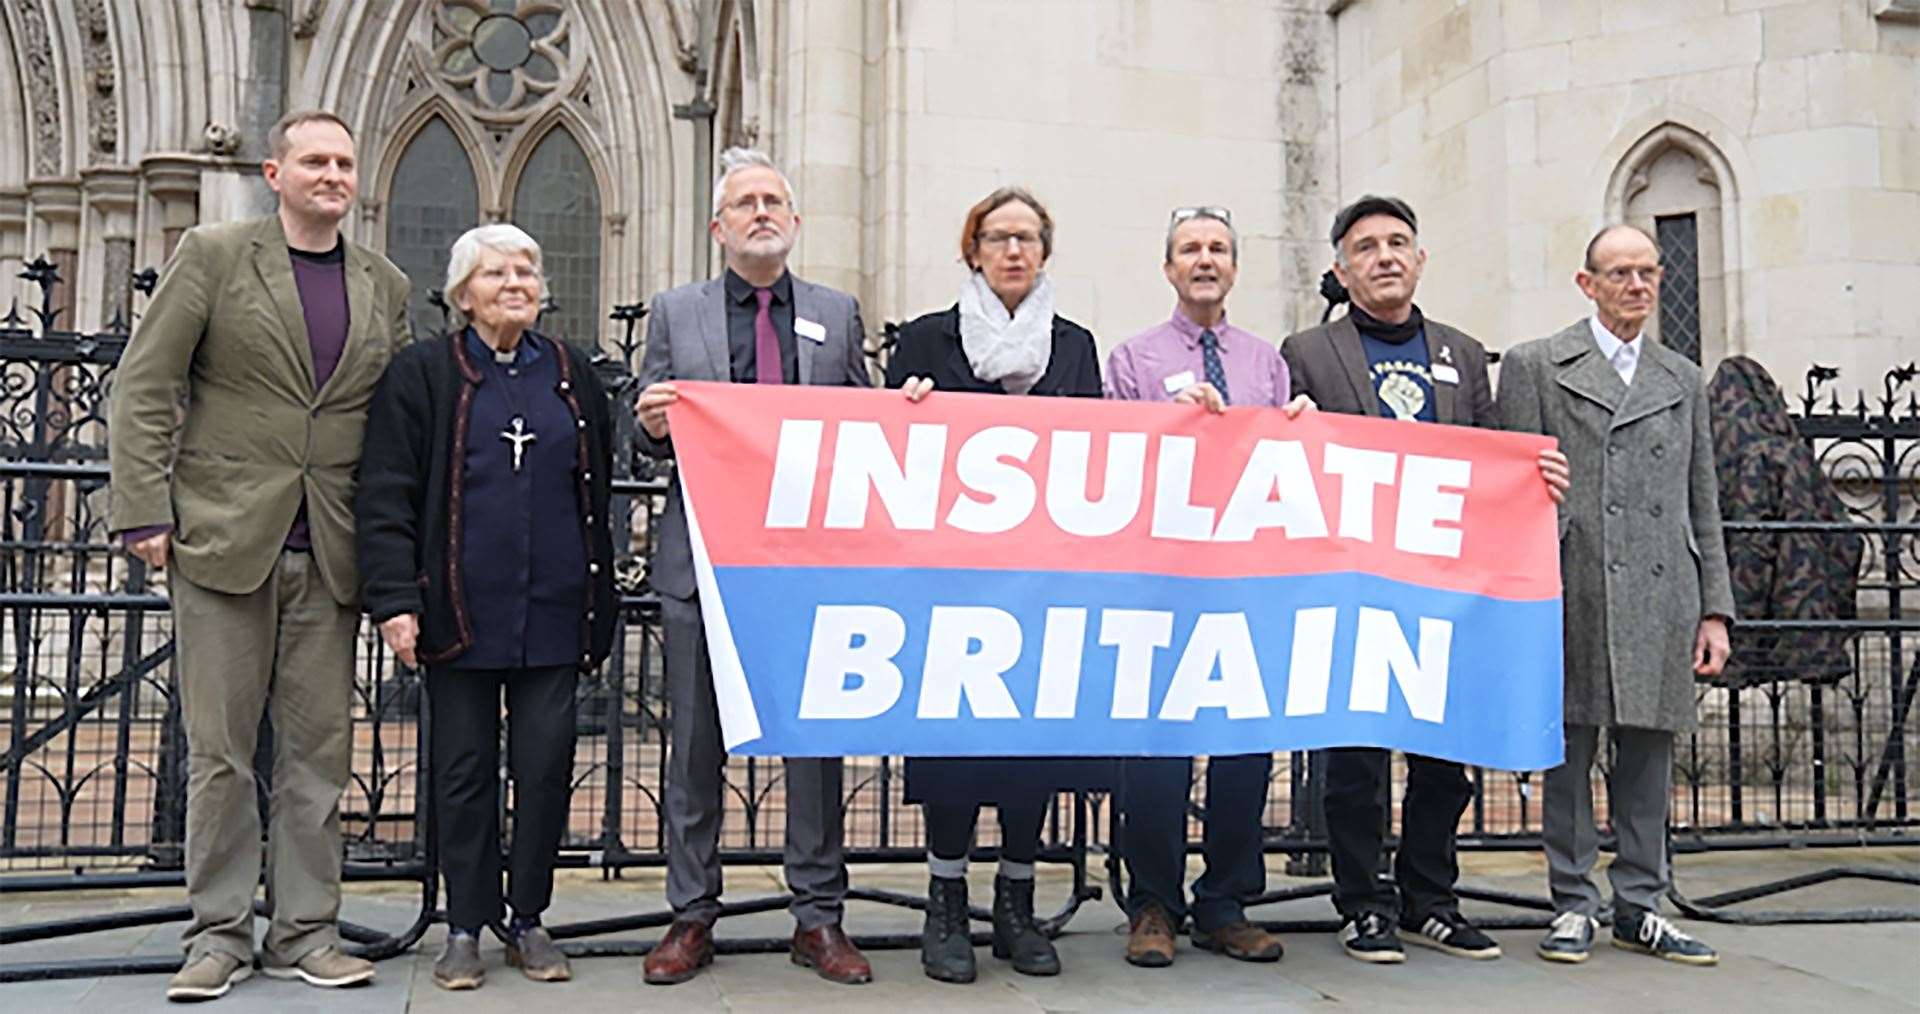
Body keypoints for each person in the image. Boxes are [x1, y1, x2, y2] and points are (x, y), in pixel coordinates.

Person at [106, 109, 410, 1002]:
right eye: (314, 160)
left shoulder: (384, 283)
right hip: (223, 537)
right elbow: (146, 383)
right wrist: (142, 513)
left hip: (331, 548)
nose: (333, 175)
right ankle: (217, 935)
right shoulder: (213, 254)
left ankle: (307, 932)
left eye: (346, 162)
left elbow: (386, 419)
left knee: (319, 757)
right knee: (222, 755)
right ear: (274, 173)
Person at [1280, 194, 1568, 965]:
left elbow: (1494, 457)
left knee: (1447, 753)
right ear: (1343, 269)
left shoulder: (1465, 353)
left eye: (1398, 242)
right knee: (1357, 758)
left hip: (1446, 583)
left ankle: (1430, 898)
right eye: (1367, 247)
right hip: (1353, 584)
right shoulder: (1306, 353)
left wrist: (1535, 474)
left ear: (1420, 258)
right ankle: (1364, 902)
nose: (1385, 257)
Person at [633, 148, 874, 986]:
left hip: (806, 568)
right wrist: (652, 425)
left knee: (815, 748)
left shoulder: (836, 313)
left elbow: (863, 429)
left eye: (774, 200)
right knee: (695, 748)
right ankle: (691, 916)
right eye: (745, 203)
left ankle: (818, 918)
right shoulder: (676, 312)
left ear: (795, 222)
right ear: (718, 227)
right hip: (703, 565)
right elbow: (643, 421)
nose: (761, 212)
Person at [356, 224, 615, 990]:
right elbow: (386, 494)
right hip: (458, 611)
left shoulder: (573, 372)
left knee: (544, 769)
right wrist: (395, 599)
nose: (516, 283)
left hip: (555, 611)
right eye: (498, 273)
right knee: (463, 773)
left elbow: (600, 476)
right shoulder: (424, 374)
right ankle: (465, 925)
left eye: (528, 270)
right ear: (462, 293)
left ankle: (527, 919)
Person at [886, 186, 1104, 985]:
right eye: (998, 237)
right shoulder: (924, 339)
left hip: (1045, 581)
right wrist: (903, 412)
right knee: (955, 742)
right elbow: (888, 453)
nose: (1014, 251)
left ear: (1045, 252)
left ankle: (1016, 900)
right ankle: (947, 900)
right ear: (972, 250)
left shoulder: (1075, 347)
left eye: (1028, 238)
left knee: (1030, 745)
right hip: (953, 582)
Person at [1499, 224, 1733, 967]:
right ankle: (1572, 901)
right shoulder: (1537, 365)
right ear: (1587, 283)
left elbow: (1704, 499)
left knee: (1649, 754)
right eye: (1620, 273)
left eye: (1648, 272)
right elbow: (1514, 488)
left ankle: (1642, 902)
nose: (1637, 285)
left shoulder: (1682, 377)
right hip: (1572, 581)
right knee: (1568, 749)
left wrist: (1715, 609)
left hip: (1664, 587)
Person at [1104, 206, 1310, 968]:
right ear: (1168, 268)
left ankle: (1226, 901)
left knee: (1243, 748)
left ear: (1234, 266)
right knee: (1156, 748)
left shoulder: (1266, 362)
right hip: (1161, 580)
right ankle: (1153, 902)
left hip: (1246, 581)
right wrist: (1172, 423)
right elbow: (1113, 460)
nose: (1205, 259)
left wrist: (1299, 428)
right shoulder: (1131, 359)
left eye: (1218, 248)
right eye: (1190, 249)